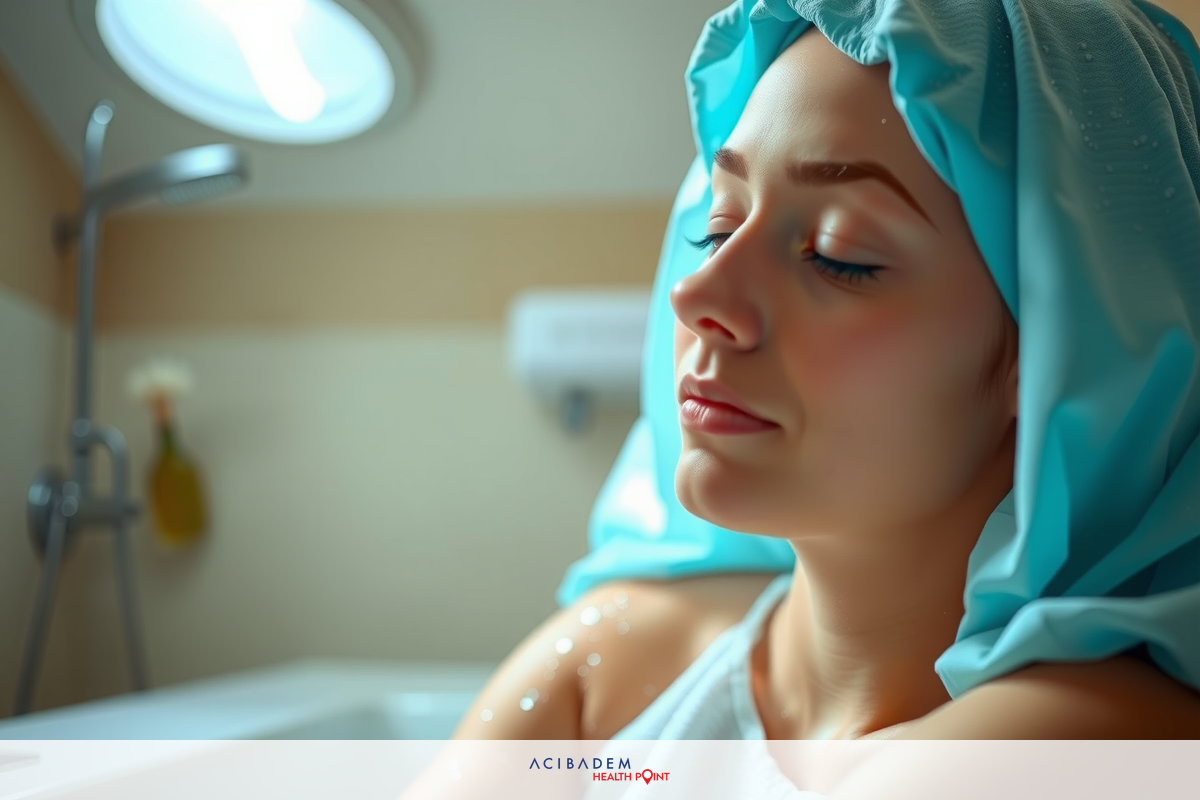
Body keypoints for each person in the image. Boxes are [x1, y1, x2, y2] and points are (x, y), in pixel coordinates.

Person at [452, 0, 1200, 742]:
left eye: (841, 255)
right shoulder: (606, 672)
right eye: (719, 229)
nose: (697, 294)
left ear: (1062, 349)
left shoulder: (1085, 743)